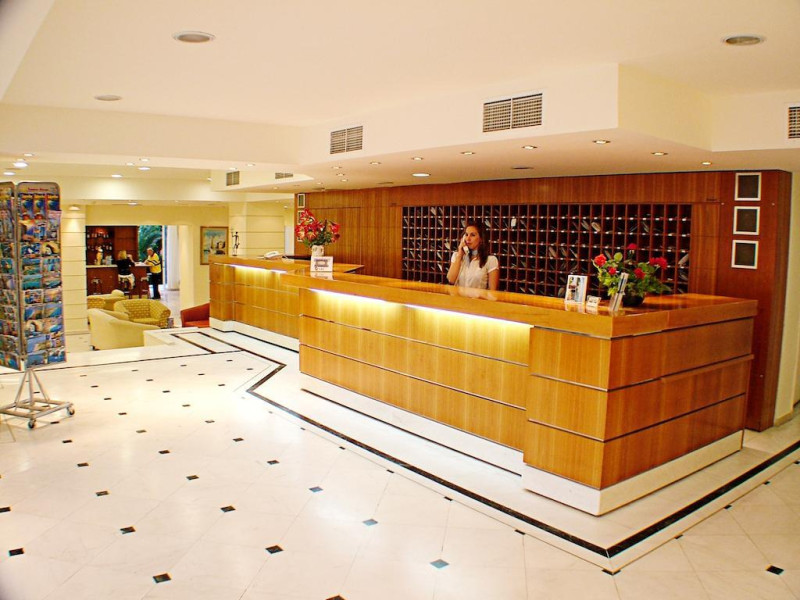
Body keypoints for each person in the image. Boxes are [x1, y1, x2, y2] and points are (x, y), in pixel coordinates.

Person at [446, 221, 500, 290]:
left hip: (478, 297)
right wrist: (459, 256)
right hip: (457, 297)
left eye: (472, 235)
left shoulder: (491, 260)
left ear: (481, 239)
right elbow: (451, 280)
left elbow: (492, 290)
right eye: (466, 235)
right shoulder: (456, 256)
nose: (468, 239)